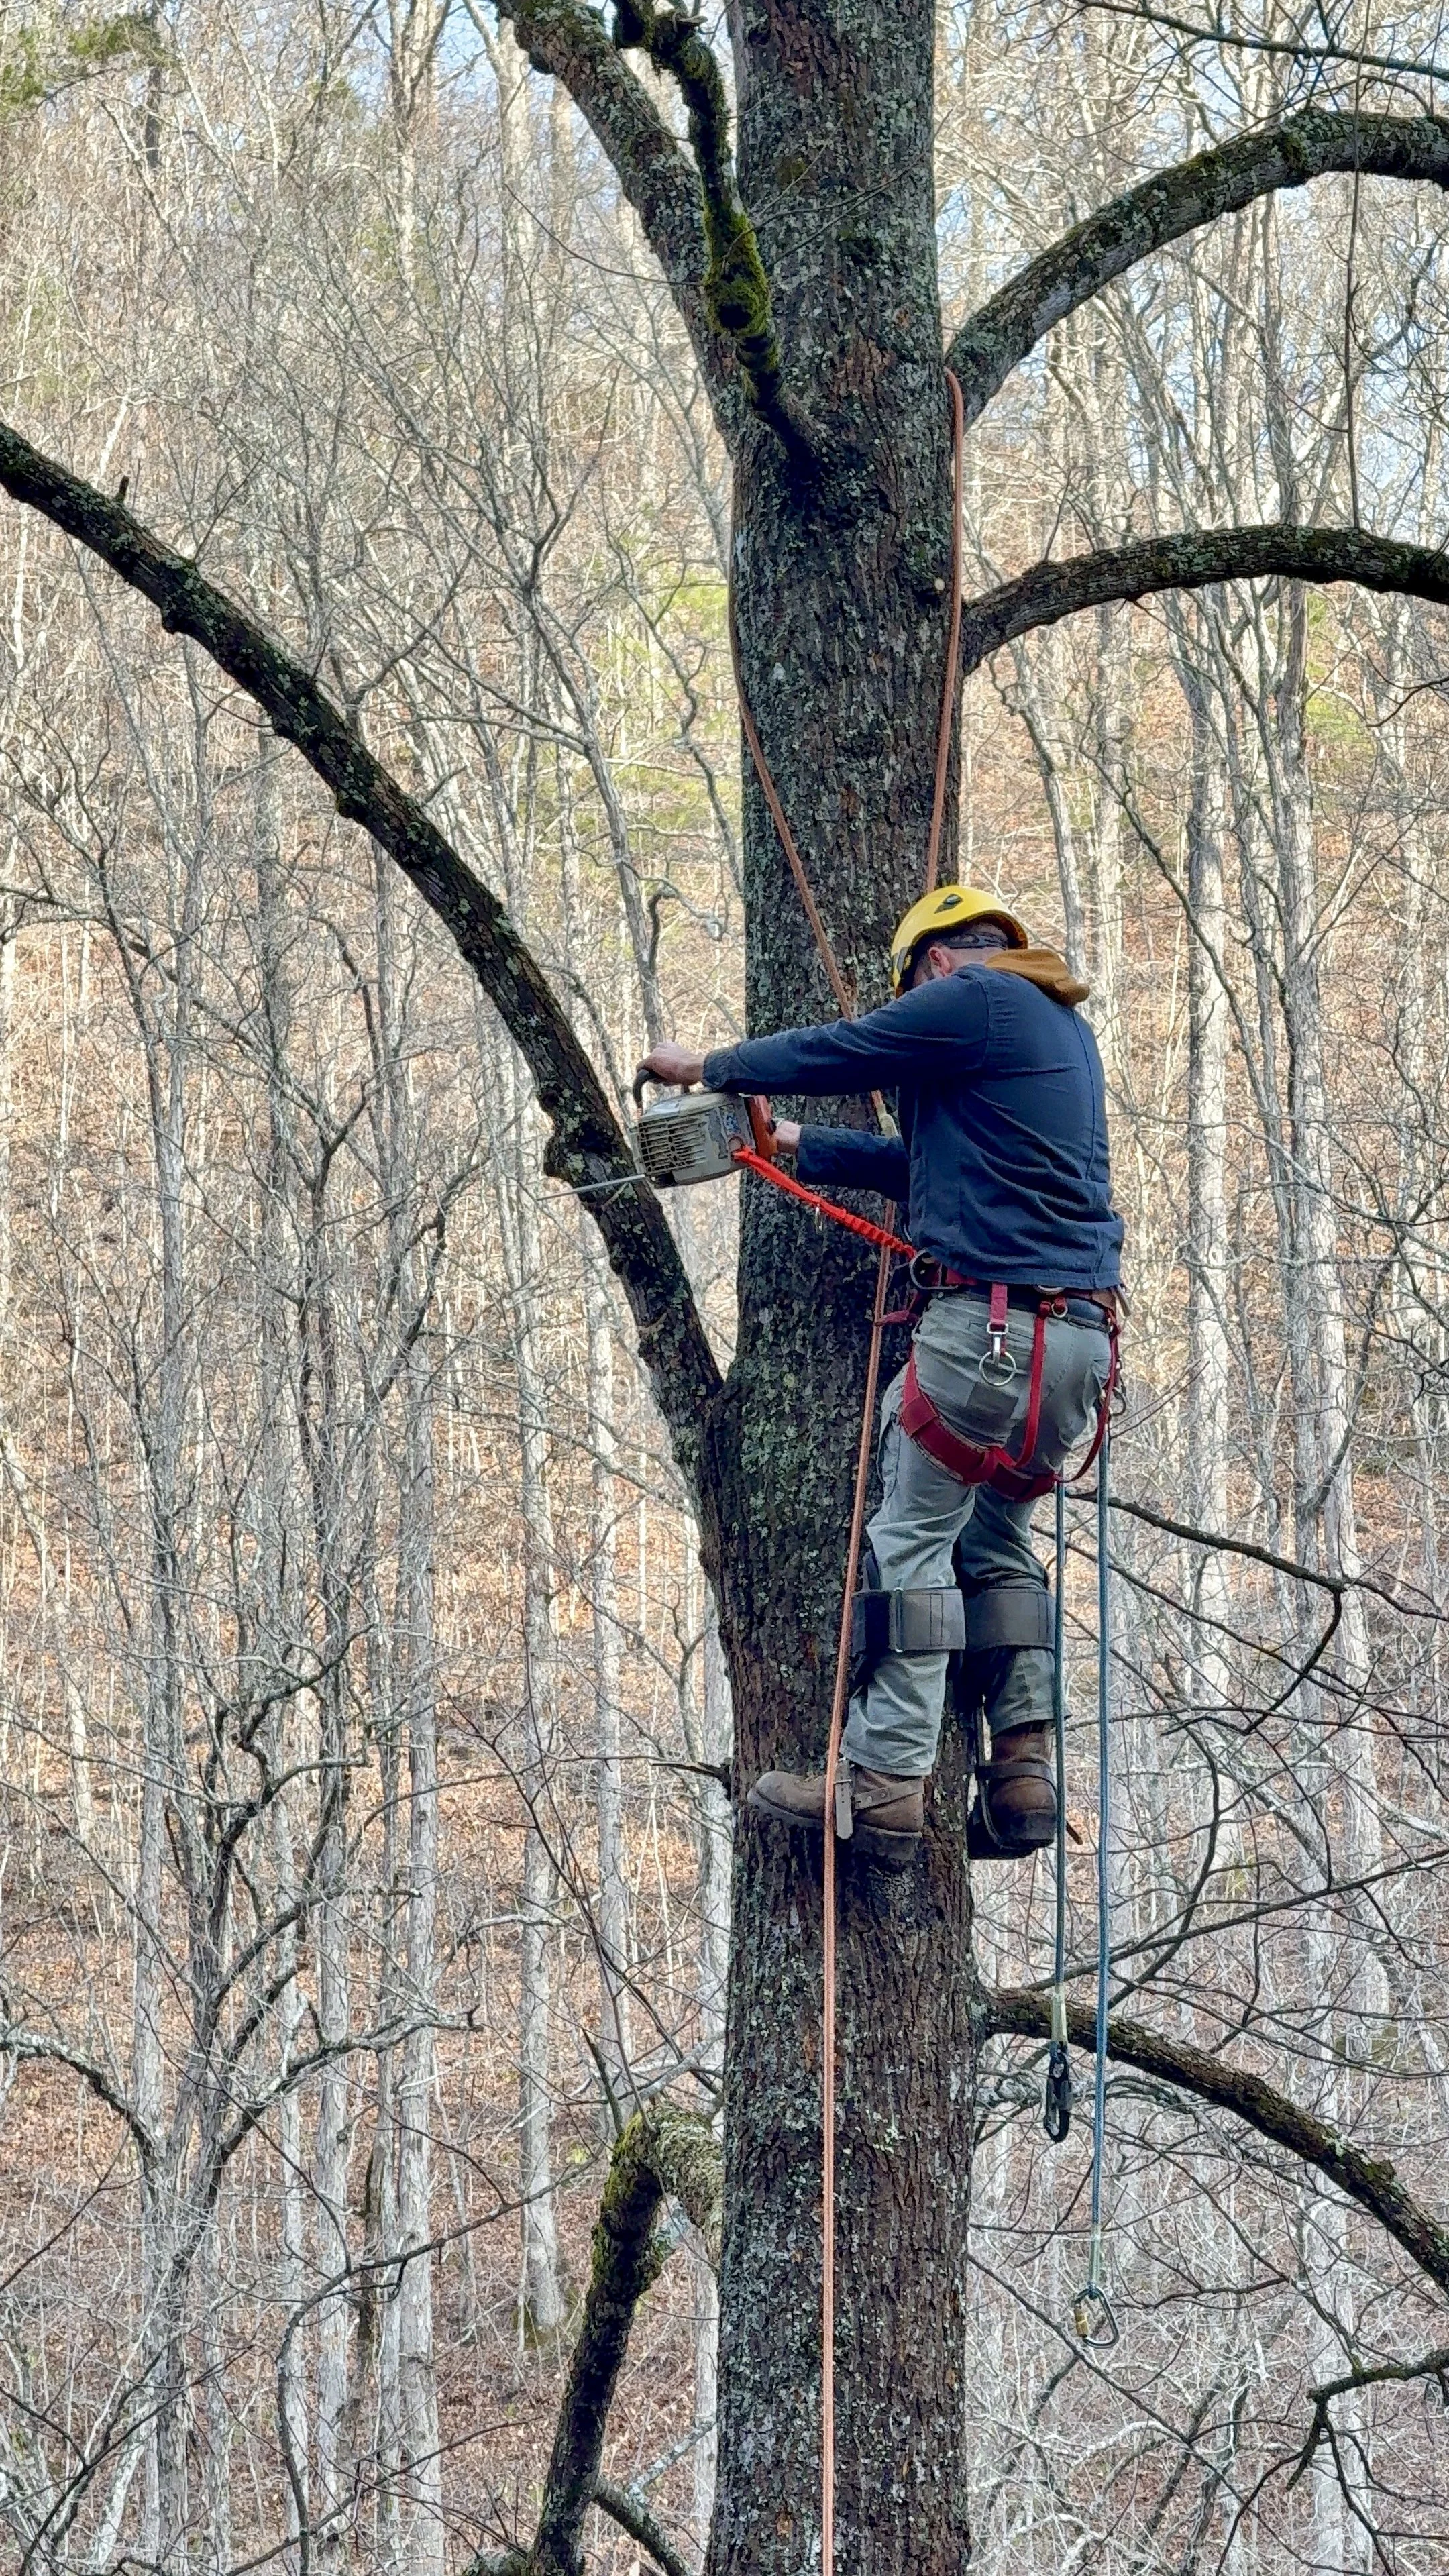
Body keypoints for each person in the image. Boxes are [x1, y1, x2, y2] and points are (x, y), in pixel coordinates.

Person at [639, 883, 1122, 1868]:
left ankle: (886, 1780)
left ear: (933, 963)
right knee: (996, 1540)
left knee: (909, 1541)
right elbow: (932, 1170)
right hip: (1074, 1347)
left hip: (986, 1337)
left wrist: (712, 1065)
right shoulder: (1058, 1033)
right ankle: (1026, 1773)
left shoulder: (973, 995)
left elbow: (849, 1048)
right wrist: (795, 1147)